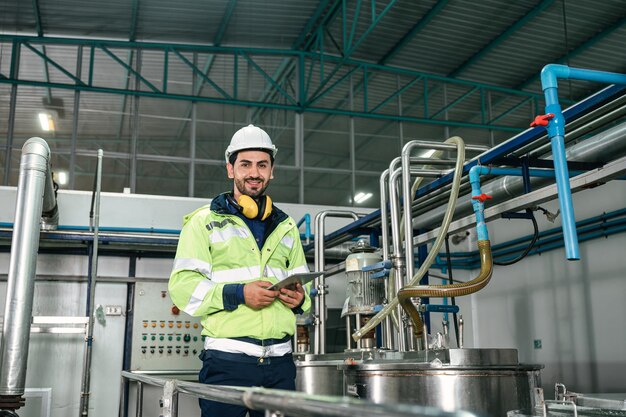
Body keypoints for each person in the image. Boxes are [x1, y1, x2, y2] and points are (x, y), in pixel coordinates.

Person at [168, 124, 311, 417]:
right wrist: (239, 294)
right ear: (230, 169)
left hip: (280, 364)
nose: (254, 173)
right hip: (227, 362)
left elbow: (303, 286)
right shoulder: (203, 222)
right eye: (245, 164)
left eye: (262, 164)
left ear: (272, 171)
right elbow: (183, 287)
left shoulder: (286, 227)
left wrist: (300, 299)